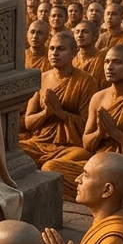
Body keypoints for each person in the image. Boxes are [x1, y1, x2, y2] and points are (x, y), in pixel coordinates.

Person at [43, 46, 123, 201]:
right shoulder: (99, 98)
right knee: (50, 169)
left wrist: (117, 134)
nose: (109, 67)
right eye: (107, 62)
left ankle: (101, 194)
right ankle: (105, 195)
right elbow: (87, 144)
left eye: (117, 62)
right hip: (99, 164)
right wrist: (100, 133)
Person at [19, 30, 97, 171]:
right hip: (39, 143)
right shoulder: (42, 78)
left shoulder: (86, 81)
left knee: (60, 163)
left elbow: (87, 125)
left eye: (61, 49)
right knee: (9, 151)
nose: (55, 53)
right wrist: (47, 113)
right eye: (52, 48)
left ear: (74, 53)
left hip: (70, 147)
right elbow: (28, 122)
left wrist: (60, 113)